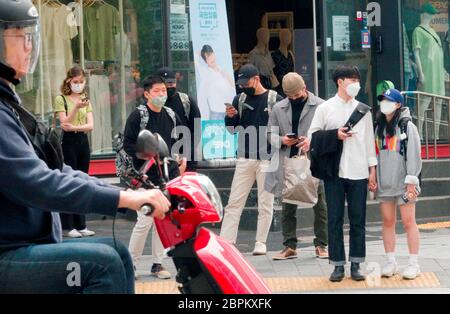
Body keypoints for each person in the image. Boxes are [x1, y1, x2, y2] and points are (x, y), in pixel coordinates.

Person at [0, 0, 170, 294]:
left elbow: (56, 168)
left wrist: (125, 192)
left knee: (117, 252)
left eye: (31, 37)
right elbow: (39, 183)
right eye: (21, 37)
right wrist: (122, 200)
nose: (29, 47)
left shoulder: (10, 105)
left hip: (24, 245)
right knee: (103, 265)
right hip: (8, 255)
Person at [308, 65, 377, 282]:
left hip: (359, 172)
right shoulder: (325, 108)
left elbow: (369, 143)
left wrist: (372, 171)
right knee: (335, 219)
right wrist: (335, 135)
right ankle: (337, 265)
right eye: (351, 79)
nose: (356, 83)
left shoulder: (364, 110)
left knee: (358, 220)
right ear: (340, 81)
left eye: (358, 79)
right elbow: (312, 137)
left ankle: (356, 263)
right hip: (334, 172)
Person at [123, 75, 185, 280]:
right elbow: (128, 145)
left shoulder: (170, 114)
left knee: (162, 219)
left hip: (165, 175)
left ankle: (158, 264)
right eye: (157, 91)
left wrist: (177, 160)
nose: (161, 94)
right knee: (144, 221)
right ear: (146, 94)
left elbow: (174, 141)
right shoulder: (138, 116)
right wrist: (149, 155)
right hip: (143, 176)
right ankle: (130, 265)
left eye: (163, 91)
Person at [220, 64, 283, 255]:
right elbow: (233, 129)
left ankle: (261, 242)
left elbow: (284, 127)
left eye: (245, 82)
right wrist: (230, 118)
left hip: (267, 157)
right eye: (240, 83)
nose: (242, 87)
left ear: (256, 78)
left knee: (266, 202)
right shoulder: (239, 99)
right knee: (234, 202)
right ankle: (226, 242)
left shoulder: (275, 99)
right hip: (245, 156)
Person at [265, 73, 329, 260]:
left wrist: (312, 140)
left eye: (296, 94)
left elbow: (328, 132)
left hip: (313, 160)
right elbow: (269, 133)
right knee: (288, 204)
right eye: (289, 96)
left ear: (304, 88)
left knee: (319, 204)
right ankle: (289, 246)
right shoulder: (278, 108)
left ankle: (321, 245)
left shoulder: (320, 105)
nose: (293, 98)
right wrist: (282, 140)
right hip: (288, 160)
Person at [374, 89, 422, 280]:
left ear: (398, 104)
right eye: (382, 100)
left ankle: (413, 264)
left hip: (404, 184)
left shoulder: (407, 126)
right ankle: (391, 261)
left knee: (409, 222)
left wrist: (411, 181)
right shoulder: (378, 126)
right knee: (387, 222)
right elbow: (376, 154)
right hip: (385, 183)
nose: (384, 103)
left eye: (389, 100)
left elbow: (414, 155)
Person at [55, 66, 96, 238]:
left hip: (82, 141)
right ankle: (68, 224)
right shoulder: (61, 99)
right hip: (68, 142)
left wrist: (76, 127)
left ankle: (81, 223)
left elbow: (90, 125)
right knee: (69, 180)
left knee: (82, 180)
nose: (78, 85)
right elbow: (64, 123)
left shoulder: (85, 99)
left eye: (81, 82)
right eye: (75, 82)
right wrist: (76, 108)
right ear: (68, 81)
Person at [158, 67, 201, 171]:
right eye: (167, 83)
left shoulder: (186, 101)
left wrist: (188, 152)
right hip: (162, 158)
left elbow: (196, 128)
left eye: (172, 83)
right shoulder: (155, 103)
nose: (170, 86)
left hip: (187, 157)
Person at [196, 44, 236, 120]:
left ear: (214, 54)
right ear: (205, 61)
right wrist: (201, 52)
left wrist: (225, 75)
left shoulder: (222, 70)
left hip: (230, 112)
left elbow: (233, 86)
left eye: (211, 54)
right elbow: (196, 58)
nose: (211, 58)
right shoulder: (205, 72)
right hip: (217, 114)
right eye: (207, 57)